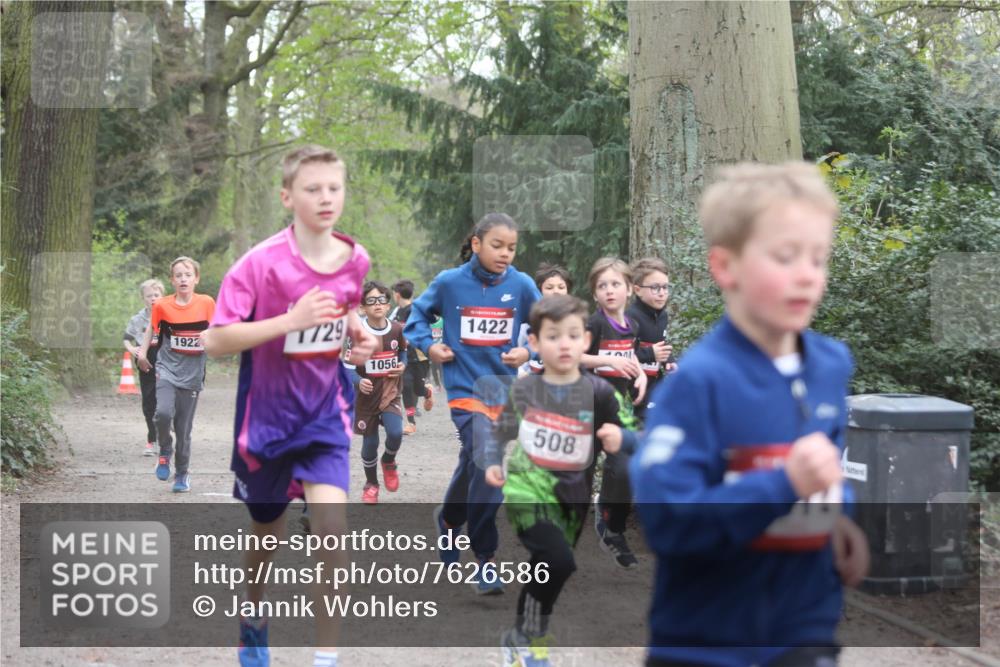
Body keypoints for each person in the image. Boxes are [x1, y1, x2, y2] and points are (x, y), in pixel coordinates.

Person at [631, 162, 870, 667]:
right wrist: (784, 484)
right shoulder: (699, 383)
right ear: (726, 267)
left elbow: (824, 470)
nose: (807, 274)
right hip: (706, 646)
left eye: (818, 258)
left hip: (806, 634)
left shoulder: (830, 365)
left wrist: (839, 520)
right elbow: (667, 522)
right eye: (785, 256)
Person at [203, 144, 377, 667]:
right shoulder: (259, 264)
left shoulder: (356, 259)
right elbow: (215, 340)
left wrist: (358, 334)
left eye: (334, 188)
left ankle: (326, 658)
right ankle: (253, 614)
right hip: (266, 424)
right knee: (267, 532)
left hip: (326, 415)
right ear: (287, 197)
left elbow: (344, 308)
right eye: (312, 188)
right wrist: (289, 321)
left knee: (332, 534)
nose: (326, 198)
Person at [483, 295, 638, 667]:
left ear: (586, 341)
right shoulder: (526, 390)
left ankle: (523, 637)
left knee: (550, 566)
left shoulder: (600, 393)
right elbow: (500, 432)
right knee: (559, 560)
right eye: (553, 336)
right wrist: (491, 462)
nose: (564, 344)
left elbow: (633, 433)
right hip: (527, 492)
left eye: (572, 335)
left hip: (573, 497)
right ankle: (528, 640)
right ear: (534, 343)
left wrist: (621, 438)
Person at [403, 211, 541, 594]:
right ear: (477, 244)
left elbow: (546, 326)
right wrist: (430, 346)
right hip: (465, 389)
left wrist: (526, 351)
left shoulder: (522, 285)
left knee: (475, 461)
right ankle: (485, 558)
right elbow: (416, 317)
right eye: (497, 245)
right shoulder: (450, 282)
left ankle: (449, 521)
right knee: (488, 457)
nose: (505, 254)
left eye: (512, 248)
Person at [579, 257, 645, 568]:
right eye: (602, 285)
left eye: (615, 284)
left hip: (615, 410)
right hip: (585, 408)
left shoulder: (632, 325)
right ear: (595, 294)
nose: (609, 290)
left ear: (629, 289)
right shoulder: (594, 324)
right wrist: (609, 361)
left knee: (625, 467)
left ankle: (612, 528)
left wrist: (640, 373)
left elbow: (630, 355)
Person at [137, 257, 215, 493]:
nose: (183, 279)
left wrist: (211, 337)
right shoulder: (162, 305)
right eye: (178, 275)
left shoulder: (207, 303)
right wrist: (142, 353)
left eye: (188, 275)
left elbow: (219, 329)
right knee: (162, 413)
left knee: (183, 429)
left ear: (196, 279)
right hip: (167, 369)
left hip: (192, 375)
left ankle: (182, 473)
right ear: (172, 280)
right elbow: (151, 329)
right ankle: (164, 449)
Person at [353, 280, 407, 505]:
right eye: (371, 300)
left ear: (388, 304)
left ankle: (389, 460)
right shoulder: (356, 333)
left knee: (395, 433)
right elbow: (345, 367)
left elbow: (403, 352)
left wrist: (402, 365)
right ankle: (371, 484)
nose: (377, 304)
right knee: (370, 443)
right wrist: (358, 380)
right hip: (365, 398)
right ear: (362, 307)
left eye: (381, 300)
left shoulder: (396, 329)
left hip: (390, 392)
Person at [627, 257, 677, 419]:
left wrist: (669, 361)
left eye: (665, 287)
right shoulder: (630, 317)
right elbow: (622, 353)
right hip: (633, 385)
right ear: (637, 290)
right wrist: (650, 353)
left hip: (656, 381)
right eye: (655, 288)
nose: (662, 293)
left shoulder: (663, 316)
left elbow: (661, 344)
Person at [123, 278, 164, 457]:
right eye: (149, 296)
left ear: (162, 296)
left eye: (156, 295)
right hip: (145, 359)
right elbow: (127, 338)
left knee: (166, 398)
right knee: (149, 401)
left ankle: (167, 429)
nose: (153, 298)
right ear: (143, 298)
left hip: (166, 360)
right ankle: (152, 440)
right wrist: (132, 349)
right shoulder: (137, 319)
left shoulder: (170, 315)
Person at [390, 279, 434, 434]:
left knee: (419, 389)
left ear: (397, 294)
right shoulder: (397, 312)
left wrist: (410, 338)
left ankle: (428, 392)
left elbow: (423, 329)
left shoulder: (416, 310)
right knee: (406, 387)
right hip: (404, 356)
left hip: (420, 356)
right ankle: (411, 423)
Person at [518, 263, 574, 376]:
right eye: (549, 288)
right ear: (539, 291)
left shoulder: (575, 323)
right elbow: (516, 352)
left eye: (561, 287)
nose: (556, 291)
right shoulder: (528, 323)